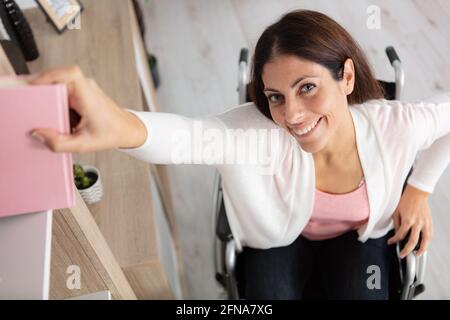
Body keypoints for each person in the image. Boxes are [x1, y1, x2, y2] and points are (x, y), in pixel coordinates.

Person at [28, 10, 448, 299]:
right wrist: (117, 124)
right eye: (275, 97)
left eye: (307, 87)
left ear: (348, 76)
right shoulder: (258, 132)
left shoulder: (397, 125)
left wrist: (420, 188)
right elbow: (190, 137)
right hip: (277, 240)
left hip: (362, 236)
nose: (292, 116)